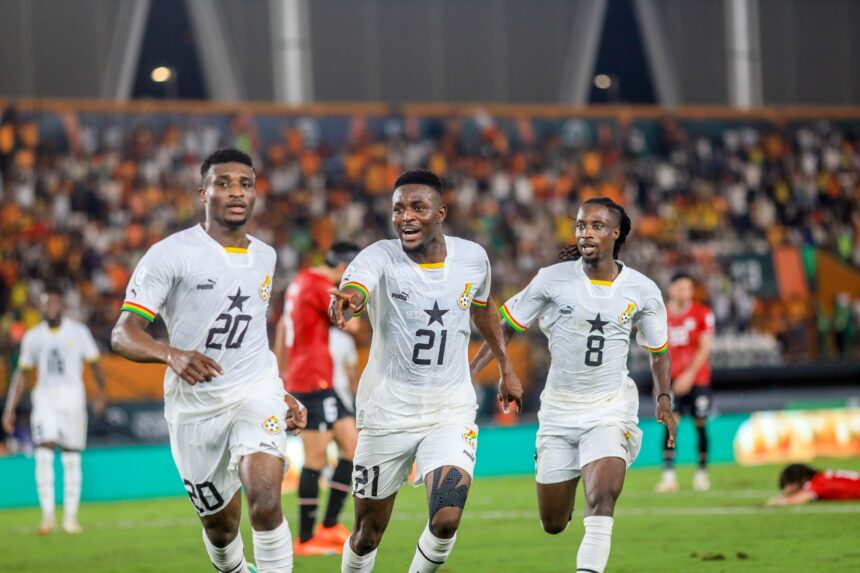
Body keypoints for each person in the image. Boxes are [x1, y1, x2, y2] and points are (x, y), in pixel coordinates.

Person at [111, 149, 307, 573]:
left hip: (255, 392)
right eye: (224, 183)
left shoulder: (266, 256)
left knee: (267, 499)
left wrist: (279, 391)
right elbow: (122, 334)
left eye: (245, 183)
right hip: (195, 408)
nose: (236, 192)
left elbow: (252, 332)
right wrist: (171, 354)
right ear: (203, 192)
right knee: (221, 527)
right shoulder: (171, 254)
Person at [328, 169, 523, 573]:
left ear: (441, 213)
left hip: (449, 410)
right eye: (398, 208)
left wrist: (505, 363)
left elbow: (482, 304)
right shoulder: (379, 255)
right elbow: (357, 287)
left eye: (418, 207)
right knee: (368, 533)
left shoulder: (472, 257)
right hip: (386, 414)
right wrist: (350, 299)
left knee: (447, 517)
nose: (406, 217)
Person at [471, 197, 677, 573]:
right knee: (553, 523)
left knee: (601, 500)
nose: (586, 232)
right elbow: (505, 326)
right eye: (581, 225)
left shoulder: (643, 290)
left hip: (610, 409)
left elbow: (659, 350)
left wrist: (664, 396)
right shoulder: (553, 278)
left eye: (597, 226)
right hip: (559, 412)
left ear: (616, 233)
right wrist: (478, 372)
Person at [273, 242, 361, 556]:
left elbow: (285, 326)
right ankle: (306, 538)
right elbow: (352, 323)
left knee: (352, 446)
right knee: (315, 461)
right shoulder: (322, 286)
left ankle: (328, 525)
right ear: (343, 268)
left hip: (317, 379)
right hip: (310, 381)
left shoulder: (301, 281)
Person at [2, 285, 107, 535]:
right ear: (41, 307)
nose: (50, 308)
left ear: (62, 305)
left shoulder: (79, 332)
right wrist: (10, 408)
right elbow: (23, 374)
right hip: (45, 400)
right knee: (44, 452)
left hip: (73, 400)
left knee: (71, 457)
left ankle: (70, 518)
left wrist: (101, 395)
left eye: (54, 303)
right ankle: (47, 516)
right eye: (46, 304)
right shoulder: (33, 337)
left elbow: (95, 365)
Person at [655, 273, 715, 493]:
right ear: (671, 289)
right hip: (671, 379)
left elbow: (705, 347)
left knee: (700, 423)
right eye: (680, 288)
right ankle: (669, 476)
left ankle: (702, 473)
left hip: (698, 378)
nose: (685, 292)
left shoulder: (703, 313)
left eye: (688, 288)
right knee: (671, 423)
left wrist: (689, 375)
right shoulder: (660, 315)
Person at [767, 464, 860, 505]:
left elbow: (799, 499)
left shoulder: (818, 482)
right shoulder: (823, 477)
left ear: (803, 479)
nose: (787, 489)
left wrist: (775, 502)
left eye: (790, 484)